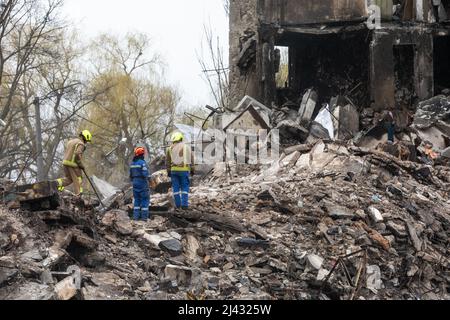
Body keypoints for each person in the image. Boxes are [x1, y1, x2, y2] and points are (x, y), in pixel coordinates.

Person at [56, 130, 92, 196]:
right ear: (85, 138)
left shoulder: (71, 141)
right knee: (78, 178)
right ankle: (79, 194)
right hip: (72, 164)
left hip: (65, 163)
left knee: (69, 179)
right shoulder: (81, 144)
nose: (86, 142)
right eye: (87, 141)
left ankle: (56, 184)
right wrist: (80, 164)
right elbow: (78, 153)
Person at [166, 132, 195, 210]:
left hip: (173, 171)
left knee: (175, 188)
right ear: (181, 139)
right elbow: (191, 159)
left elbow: (167, 161)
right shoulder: (186, 147)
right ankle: (184, 205)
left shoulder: (169, 148)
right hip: (184, 170)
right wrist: (192, 169)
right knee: (184, 187)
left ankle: (178, 205)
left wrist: (168, 171)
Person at [130, 147, 151, 221]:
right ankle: (144, 218)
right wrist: (149, 178)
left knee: (137, 200)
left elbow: (130, 175)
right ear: (142, 154)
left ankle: (135, 217)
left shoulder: (132, 163)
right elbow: (145, 174)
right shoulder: (142, 163)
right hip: (142, 182)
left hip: (135, 182)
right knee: (145, 199)